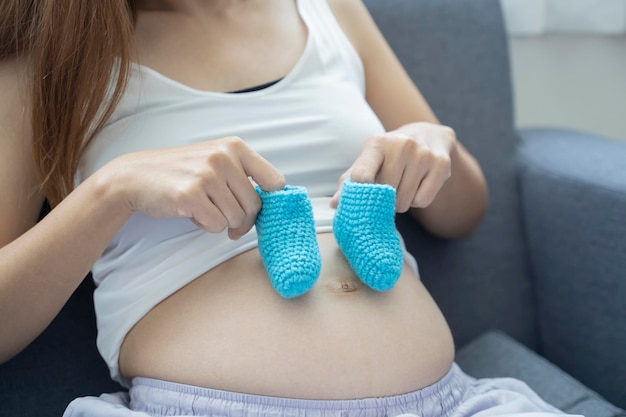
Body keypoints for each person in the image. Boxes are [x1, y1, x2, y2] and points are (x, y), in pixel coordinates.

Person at [0, 1, 580, 416]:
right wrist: (113, 187)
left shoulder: (329, 9)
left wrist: (434, 145)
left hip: (448, 401)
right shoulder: (43, 42)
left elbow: (464, 214)